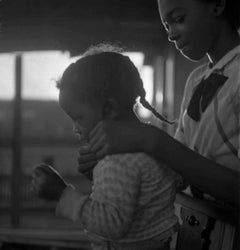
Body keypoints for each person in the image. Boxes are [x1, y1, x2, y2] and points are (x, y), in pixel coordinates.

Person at [77, 0, 240, 209]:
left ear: (217, 5)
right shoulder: (196, 81)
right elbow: (178, 175)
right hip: (196, 233)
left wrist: (151, 139)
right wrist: (115, 165)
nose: (171, 34)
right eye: (166, 26)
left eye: (179, 19)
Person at [31, 44, 181, 250]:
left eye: (78, 118)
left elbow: (111, 225)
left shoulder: (119, 160)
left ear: (109, 108)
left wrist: (62, 194)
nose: (76, 129)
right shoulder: (152, 147)